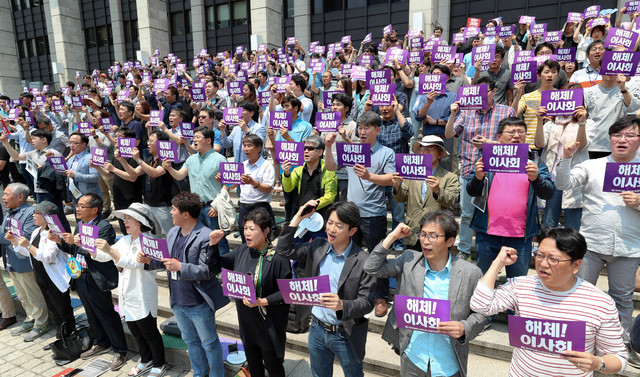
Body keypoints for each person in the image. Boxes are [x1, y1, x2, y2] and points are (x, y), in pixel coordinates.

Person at [470, 228, 628, 376]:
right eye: (539, 255)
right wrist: (497, 263)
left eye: (553, 259)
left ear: (576, 265)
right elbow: (480, 305)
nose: (543, 264)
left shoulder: (600, 303)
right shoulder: (520, 287)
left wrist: (598, 363)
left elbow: (619, 359)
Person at [555, 116, 640, 365]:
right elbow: (563, 183)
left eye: (630, 135)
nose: (622, 140)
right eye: (617, 135)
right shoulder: (593, 166)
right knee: (580, 294)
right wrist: (567, 157)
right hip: (591, 246)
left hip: (629, 247)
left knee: (622, 299)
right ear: (610, 139)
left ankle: (621, 345)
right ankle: (578, 339)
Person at [364, 211, 487, 377]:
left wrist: (464, 328)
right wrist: (392, 236)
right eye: (423, 234)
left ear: (450, 240)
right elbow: (371, 267)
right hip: (413, 356)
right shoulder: (408, 261)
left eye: (433, 236)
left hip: (449, 364)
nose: (426, 241)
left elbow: (480, 315)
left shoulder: (470, 273)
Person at [275, 200, 375, 377]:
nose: (332, 229)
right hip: (317, 329)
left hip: (346, 334)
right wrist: (299, 216)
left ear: (352, 230)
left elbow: (367, 302)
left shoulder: (363, 260)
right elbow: (283, 250)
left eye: (339, 225)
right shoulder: (317, 246)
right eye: (330, 222)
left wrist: (342, 305)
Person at [141, 192, 229, 377]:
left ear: (185, 214)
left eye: (174, 209)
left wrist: (182, 267)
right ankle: (199, 373)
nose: (171, 213)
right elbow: (166, 261)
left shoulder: (205, 235)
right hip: (177, 300)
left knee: (209, 343)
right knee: (190, 340)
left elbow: (208, 271)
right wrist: (149, 261)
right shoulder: (173, 232)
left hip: (198, 301)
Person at [324, 111, 395, 317]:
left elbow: (392, 178)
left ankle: (380, 296)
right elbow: (330, 166)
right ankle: (349, 292)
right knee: (348, 255)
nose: (362, 132)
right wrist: (329, 147)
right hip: (350, 215)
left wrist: (370, 176)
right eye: (360, 128)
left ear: (377, 130)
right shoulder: (352, 150)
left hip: (374, 214)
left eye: (367, 128)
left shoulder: (386, 152)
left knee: (377, 256)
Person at [208, 208, 292, 377]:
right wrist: (213, 245)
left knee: (273, 366)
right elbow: (215, 266)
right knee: (254, 365)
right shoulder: (242, 251)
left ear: (266, 230)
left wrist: (262, 301)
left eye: (252, 229)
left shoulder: (278, 257)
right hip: (247, 322)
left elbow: (288, 292)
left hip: (269, 324)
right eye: (245, 228)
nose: (247, 233)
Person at [467, 117, 554, 278]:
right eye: (511, 132)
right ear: (499, 137)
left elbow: (548, 192)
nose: (516, 135)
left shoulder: (534, 160)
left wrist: (537, 179)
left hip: (520, 237)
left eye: (521, 132)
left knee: (517, 285)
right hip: (487, 234)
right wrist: (477, 177)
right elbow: (471, 191)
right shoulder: (486, 158)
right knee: (483, 280)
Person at [444, 76, 516, 260]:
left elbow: (516, 143)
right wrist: (453, 114)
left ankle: (496, 250)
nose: (481, 95)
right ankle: (465, 250)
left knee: (497, 213)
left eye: (486, 91)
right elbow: (449, 134)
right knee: (467, 214)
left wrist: (488, 144)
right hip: (469, 170)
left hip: (498, 173)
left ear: (494, 92)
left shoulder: (507, 111)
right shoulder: (466, 112)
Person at [57, 193, 128, 370]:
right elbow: (73, 249)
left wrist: (79, 244)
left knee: (106, 313)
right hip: (80, 274)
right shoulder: (80, 225)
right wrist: (60, 241)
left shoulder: (104, 227)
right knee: (90, 312)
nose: (77, 209)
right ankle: (101, 342)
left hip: (97, 275)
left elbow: (100, 254)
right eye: (77, 205)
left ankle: (120, 349)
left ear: (94, 209)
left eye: (82, 206)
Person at [95, 203, 167, 377]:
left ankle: (159, 363)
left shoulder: (149, 241)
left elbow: (134, 263)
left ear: (140, 221)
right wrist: (91, 248)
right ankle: (146, 360)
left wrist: (111, 251)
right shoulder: (125, 239)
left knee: (149, 331)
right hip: (126, 294)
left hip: (142, 293)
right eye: (124, 218)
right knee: (135, 330)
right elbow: (105, 257)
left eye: (129, 218)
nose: (125, 222)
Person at [11, 201, 74, 342]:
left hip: (55, 278)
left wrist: (27, 245)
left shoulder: (55, 233)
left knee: (63, 309)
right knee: (53, 307)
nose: (33, 216)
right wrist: (16, 242)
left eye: (37, 213)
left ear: (47, 216)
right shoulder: (36, 231)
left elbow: (47, 257)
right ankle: (61, 337)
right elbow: (30, 253)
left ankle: (69, 339)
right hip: (41, 276)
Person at [163, 126, 229, 254]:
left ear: (208, 140)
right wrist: (170, 169)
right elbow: (180, 175)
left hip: (212, 208)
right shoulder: (191, 159)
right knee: (199, 240)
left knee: (219, 241)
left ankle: (224, 269)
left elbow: (229, 184)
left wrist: (217, 205)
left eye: (198, 137)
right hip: (195, 208)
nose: (194, 141)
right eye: (193, 138)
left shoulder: (220, 159)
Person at [392, 136, 460, 250]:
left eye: (430, 149)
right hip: (413, 232)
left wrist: (438, 190)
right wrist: (397, 186)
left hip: (437, 232)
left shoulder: (450, 177)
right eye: (422, 148)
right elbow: (400, 198)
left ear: (439, 154)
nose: (425, 152)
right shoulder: (411, 174)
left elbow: (452, 200)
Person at [0, 183, 48, 341]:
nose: (3, 197)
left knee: (33, 293)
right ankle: (30, 317)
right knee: (21, 293)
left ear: (20, 197)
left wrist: (8, 237)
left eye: (7, 194)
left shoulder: (29, 213)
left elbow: (25, 237)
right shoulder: (10, 212)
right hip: (10, 260)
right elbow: (3, 233)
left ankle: (41, 322)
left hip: (24, 261)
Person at [534, 101, 590, 230]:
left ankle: (571, 250)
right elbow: (539, 144)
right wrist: (539, 121)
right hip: (552, 177)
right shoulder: (550, 124)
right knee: (549, 223)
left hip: (573, 177)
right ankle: (547, 249)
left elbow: (581, 146)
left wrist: (582, 122)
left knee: (573, 226)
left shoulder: (588, 124)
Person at [219, 134, 275, 243]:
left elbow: (268, 189)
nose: (246, 149)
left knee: (261, 240)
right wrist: (223, 180)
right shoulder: (242, 165)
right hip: (244, 207)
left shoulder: (266, 166)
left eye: (249, 146)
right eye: (244, 146)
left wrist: (253, 182)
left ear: (258, 148)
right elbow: (233, 185)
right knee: (246, 240)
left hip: (260, 207)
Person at [282, 134, 337, 241]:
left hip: (320, 219)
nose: (306, 151)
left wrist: (310, 206)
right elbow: (288, 188)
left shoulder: (328, 170)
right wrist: (287, 173)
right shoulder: (298, 170)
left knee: (320, 251)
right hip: (302, 218)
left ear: (320, 152)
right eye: (304, 148)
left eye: (310, 148)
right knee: (296, 248)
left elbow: (330, 196)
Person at [584, 73, 640, 159]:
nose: (610, 73)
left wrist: (623, 89)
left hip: (619, 144)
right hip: (593, 145)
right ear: (600, 69)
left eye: (614, 70)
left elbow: (633, 107)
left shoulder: (628, 89)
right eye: (607, 69)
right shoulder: (587, 92)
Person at [513, 60, 560, 149]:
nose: (550, 75)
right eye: (546, 72)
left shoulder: (562, 97)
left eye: (554, 72)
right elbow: (513, 113)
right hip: (530, 146)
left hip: (552, 147)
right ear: (539, 76)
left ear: (557, 75)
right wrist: (518, 94)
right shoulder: (527, 97)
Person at [65, 132, 101, 204]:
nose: (71, 146)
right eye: (70, 143)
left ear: (84, 144)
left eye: (75, 143)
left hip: (89, 197)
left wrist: (76, 175)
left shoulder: (91, 157)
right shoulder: (71, 159)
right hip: (75, 196)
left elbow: (95, 177)